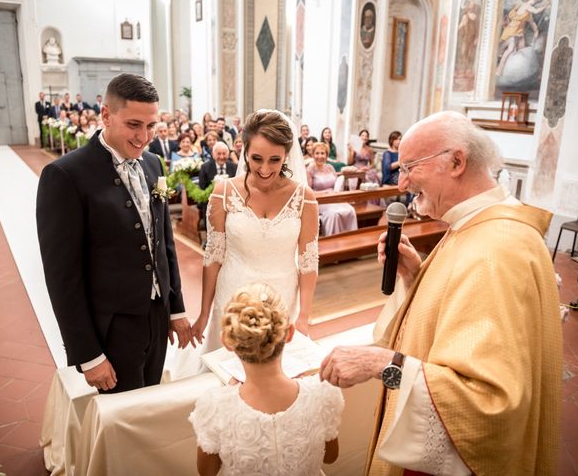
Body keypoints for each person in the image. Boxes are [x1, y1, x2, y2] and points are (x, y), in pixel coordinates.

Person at [319, 111, 562, 475]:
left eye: (409, 167)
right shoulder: (477, 225)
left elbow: (486, 402)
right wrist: (418, 275)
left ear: (456, 162)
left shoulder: (497, 251)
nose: (401, 184)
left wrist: (379, 363)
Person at [36, 73, 193, 394]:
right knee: (118, 420)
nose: (144, 137)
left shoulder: (154, 165)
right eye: (134, 125)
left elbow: (164, 244)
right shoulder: (65, 175)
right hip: (111, 326)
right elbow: (62, 276)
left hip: (156, 314)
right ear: (106, 115)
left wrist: (175, 309)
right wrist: (88, 355)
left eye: (151, 126)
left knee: (149, 406)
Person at [172, 109, 319, 379]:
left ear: (287, 155)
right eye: (256, 159)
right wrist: (204, 313)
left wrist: (304, 317)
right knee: (225, 375)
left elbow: (308, 261)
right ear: (244, 152)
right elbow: (214, 256)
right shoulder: (224, 191)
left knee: (272, 377)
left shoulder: (304, 198)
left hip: (282, 296)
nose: (265, 169)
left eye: (275, 160)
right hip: (232, 294)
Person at [189, 283, 344, 476]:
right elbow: (330, 457)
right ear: (289, 333)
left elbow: (207, 472)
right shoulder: (321, 394)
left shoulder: (214, 407)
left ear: (227, 341)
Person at [307, 142, 357, 236]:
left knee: (350, 210)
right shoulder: (310, 170)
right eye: (317, 153)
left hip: (334, 198)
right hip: (320, 201)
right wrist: (323, 192)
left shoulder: (330, 167)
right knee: (334, 214)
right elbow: (308, 192)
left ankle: (349, 238)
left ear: (326, 155)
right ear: (313, 155)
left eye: (323, 153)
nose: (320, 156)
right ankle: (334, 240)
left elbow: (336, 184)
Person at [496, 0, 549, 76]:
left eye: (536, 0)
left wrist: (536, 32)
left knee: (520, 51)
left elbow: (533, 23)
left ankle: (512, 71)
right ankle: (499, 70)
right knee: (510, 49)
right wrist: (546, 5)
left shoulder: (528, 13)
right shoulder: (525, 5)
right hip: (512, 32)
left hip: (519, 34)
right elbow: (536, 11)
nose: (535, 1)